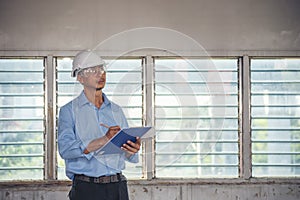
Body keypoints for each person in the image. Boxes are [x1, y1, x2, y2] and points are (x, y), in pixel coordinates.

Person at [58, 50, 141, 200]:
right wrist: (103, 139)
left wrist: (131, 149)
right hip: (87, 189)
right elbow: (66, 149)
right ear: (80, 78)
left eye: (101, 69)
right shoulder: (68, 111)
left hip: (118, 187)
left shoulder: (116, 110)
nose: (100, 74)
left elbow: (127, 154)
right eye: (92, 70)